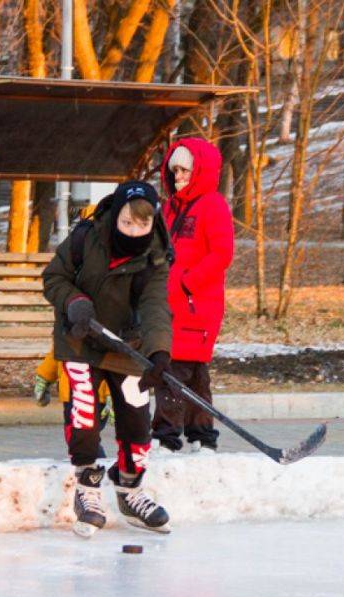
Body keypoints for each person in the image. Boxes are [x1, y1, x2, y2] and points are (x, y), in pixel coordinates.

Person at [42, 180, 173, 538]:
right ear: (116, 216)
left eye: (142, 225)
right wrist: (73, 303)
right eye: (127, 223)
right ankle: (87, 488)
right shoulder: (87, 237)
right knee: (84, 416)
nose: (134, 231)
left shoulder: (156, 255)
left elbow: (155, 306)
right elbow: (53, 278)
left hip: (126, 345)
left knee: (136, 420)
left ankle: (130, 490)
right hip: (80, 338)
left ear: (153, 222)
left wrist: (160, 351)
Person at [153, 138, 234, 453]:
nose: (178, 176)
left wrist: (187, 284)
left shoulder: (212, 205)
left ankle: (166, 436)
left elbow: (221, 254)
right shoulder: (172, 208)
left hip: (196, 306)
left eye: (185, 169)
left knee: (172, 372)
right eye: (174, 170)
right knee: (194, 373)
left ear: (199, 170)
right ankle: (202, 436)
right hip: (172, 305)